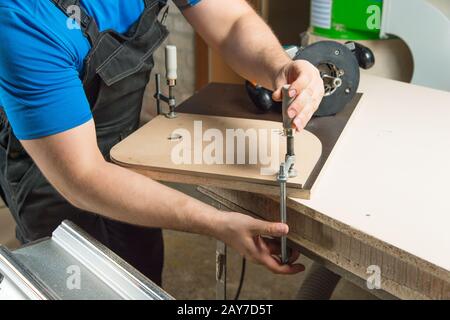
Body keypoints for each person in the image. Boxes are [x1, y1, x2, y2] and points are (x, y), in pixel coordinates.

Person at [0, 0, 324, 285]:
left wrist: (279, 67)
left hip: (123, 153)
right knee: (75, 281)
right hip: (51, 168)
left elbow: (231, 24)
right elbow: (82, 176)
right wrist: (217, 222)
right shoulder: (22, 17)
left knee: (141, 272)